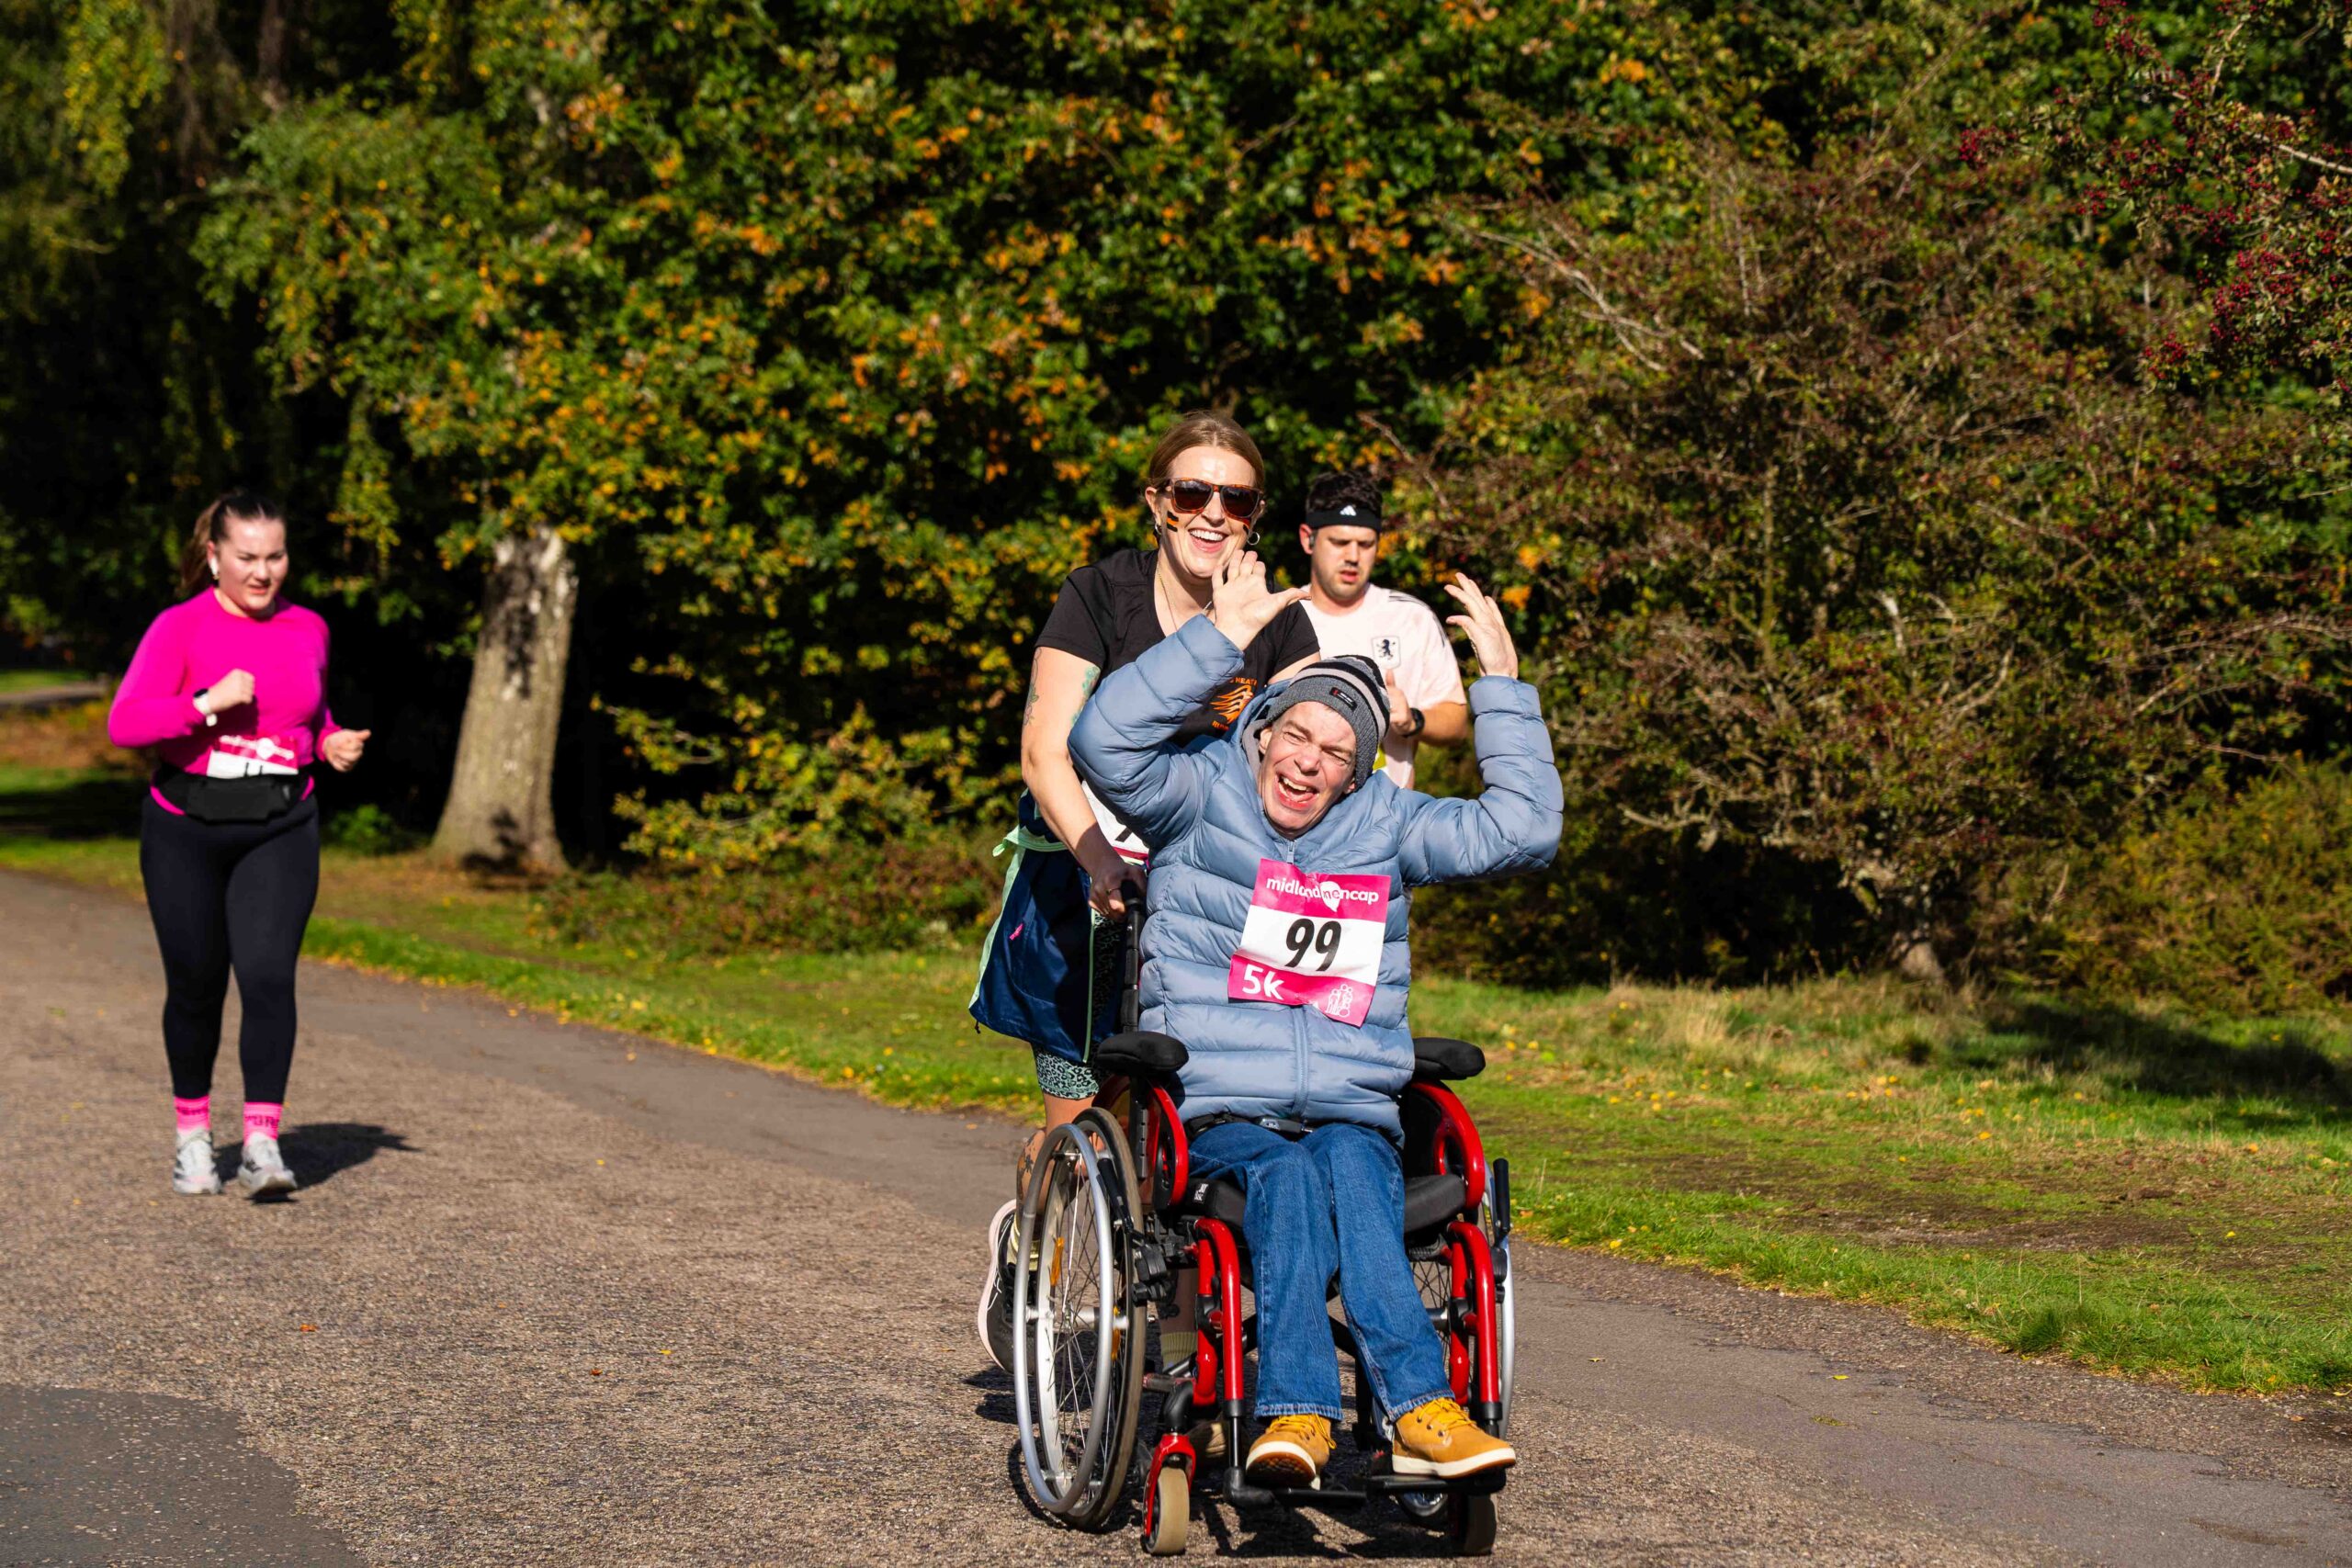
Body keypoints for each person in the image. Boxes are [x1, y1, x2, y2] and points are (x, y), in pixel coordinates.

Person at [1068, 552, 1560, 1486]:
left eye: (1337, 753)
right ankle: (1300, 1408)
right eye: (1297, 736)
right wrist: (1218, 637)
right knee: (1289, 1173)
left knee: (1343, 1160)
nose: (1309, 762)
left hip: (1349, 1106)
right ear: (1261, 732)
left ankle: (1418, 1411)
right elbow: (1101, 740)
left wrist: (1501, 689)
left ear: (1355, 772)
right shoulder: (1198, 795)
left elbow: (1524, 832)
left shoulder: (1386, 823)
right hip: (1220, 1110)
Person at [969, 412, 1319, 1369]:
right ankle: (1034, 1248)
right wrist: (1096, 862)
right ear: (1158, 502)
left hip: (1208, 897)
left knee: (1200, 1114)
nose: (1212, 514)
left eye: (1234, 499)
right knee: (1081, 1112)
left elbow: (1297, 765)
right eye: (1192, 494)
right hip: (1083, 880)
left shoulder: (1282, 622)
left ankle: (1178, 1328)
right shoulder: (1100, 596)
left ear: (1254, 518)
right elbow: (1047, 749)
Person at [107, 490, 370, 1198]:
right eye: (247, 557)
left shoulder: (308, 627)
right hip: (185, 828)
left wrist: (330, 740)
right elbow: (125, 723)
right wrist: (203, 704)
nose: (264, 572)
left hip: (281, 824)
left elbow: (306, 713)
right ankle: (193, 1139)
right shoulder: (179, 627)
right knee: (196, 984)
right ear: (213, 555)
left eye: (275, 556)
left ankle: (261, 1144)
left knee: (266, 974)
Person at [1295, 468, 1467, 793]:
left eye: (1366, 544)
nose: (1352, 557)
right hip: (1298, 825)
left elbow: (1457, 724)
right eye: (1339, 542)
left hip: (1389, 828)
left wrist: (1411, 720)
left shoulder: (1411, 617)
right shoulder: (1285, 617)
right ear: (1308, 538)